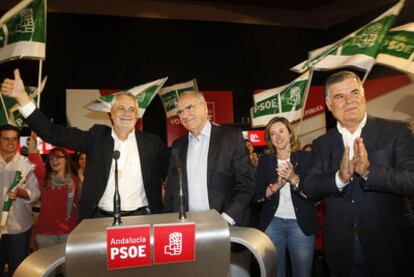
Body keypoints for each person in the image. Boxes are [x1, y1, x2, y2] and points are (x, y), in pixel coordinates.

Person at [1, 69, 168, 221]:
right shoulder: (96, 138)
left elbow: (176, 166)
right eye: (121, 108)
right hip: (100, 221)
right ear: (111, 113)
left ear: (137, 116)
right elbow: (53, 133)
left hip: (142, 220)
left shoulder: (152, 143)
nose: (126, 113)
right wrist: (23, 97)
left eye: (131, 109)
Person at [303, 70, 414, 277]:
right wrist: (339, 178)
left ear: (363, 94)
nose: (349, 101)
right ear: (328, 103)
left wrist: (369, 172)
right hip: (342, 250)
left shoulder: (397, 131)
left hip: (390, 247)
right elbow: (309, 187)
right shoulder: (322, 144)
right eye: (339, 96)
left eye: (354, 92)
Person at [164, 91, 255, 226]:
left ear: (205, 108)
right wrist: (172, 223)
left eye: (189, 107)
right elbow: (172, 191)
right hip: (187, 225)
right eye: (180, 111)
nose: (184, 115)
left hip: (225, 224)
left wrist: (227, 218)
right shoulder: (178, 145)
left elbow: (247, 183)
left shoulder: (231, 137)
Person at [254, 117, 319, 277]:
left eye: (281, 131)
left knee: (302, 273)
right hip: (272, 224)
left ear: (290, 134)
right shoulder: (265, 161)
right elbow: (257, 196)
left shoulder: (307, 158)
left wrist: (294, 178)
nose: (278, 136)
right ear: (270, 139)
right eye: (273, 133)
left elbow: (315, 194)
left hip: (301, 224)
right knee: (275, 272)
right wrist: (276, 186)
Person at [0, 124, 40, 276]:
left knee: (18, 270)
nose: (10, 143)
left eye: (14, 139)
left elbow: (35, 193)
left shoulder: (27, 164)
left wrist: (19, 192)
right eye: (6, 139)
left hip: (19, 227)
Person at [27, 133, 79, 248]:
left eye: (57, 157)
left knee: (67, 266)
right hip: (46, 233)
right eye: (51, 158)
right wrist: (33, 139)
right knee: (49, 265)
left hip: (69, 231)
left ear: (66, 159)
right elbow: (34, 158)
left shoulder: (76, 180)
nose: (53, 160)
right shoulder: (45, 178)